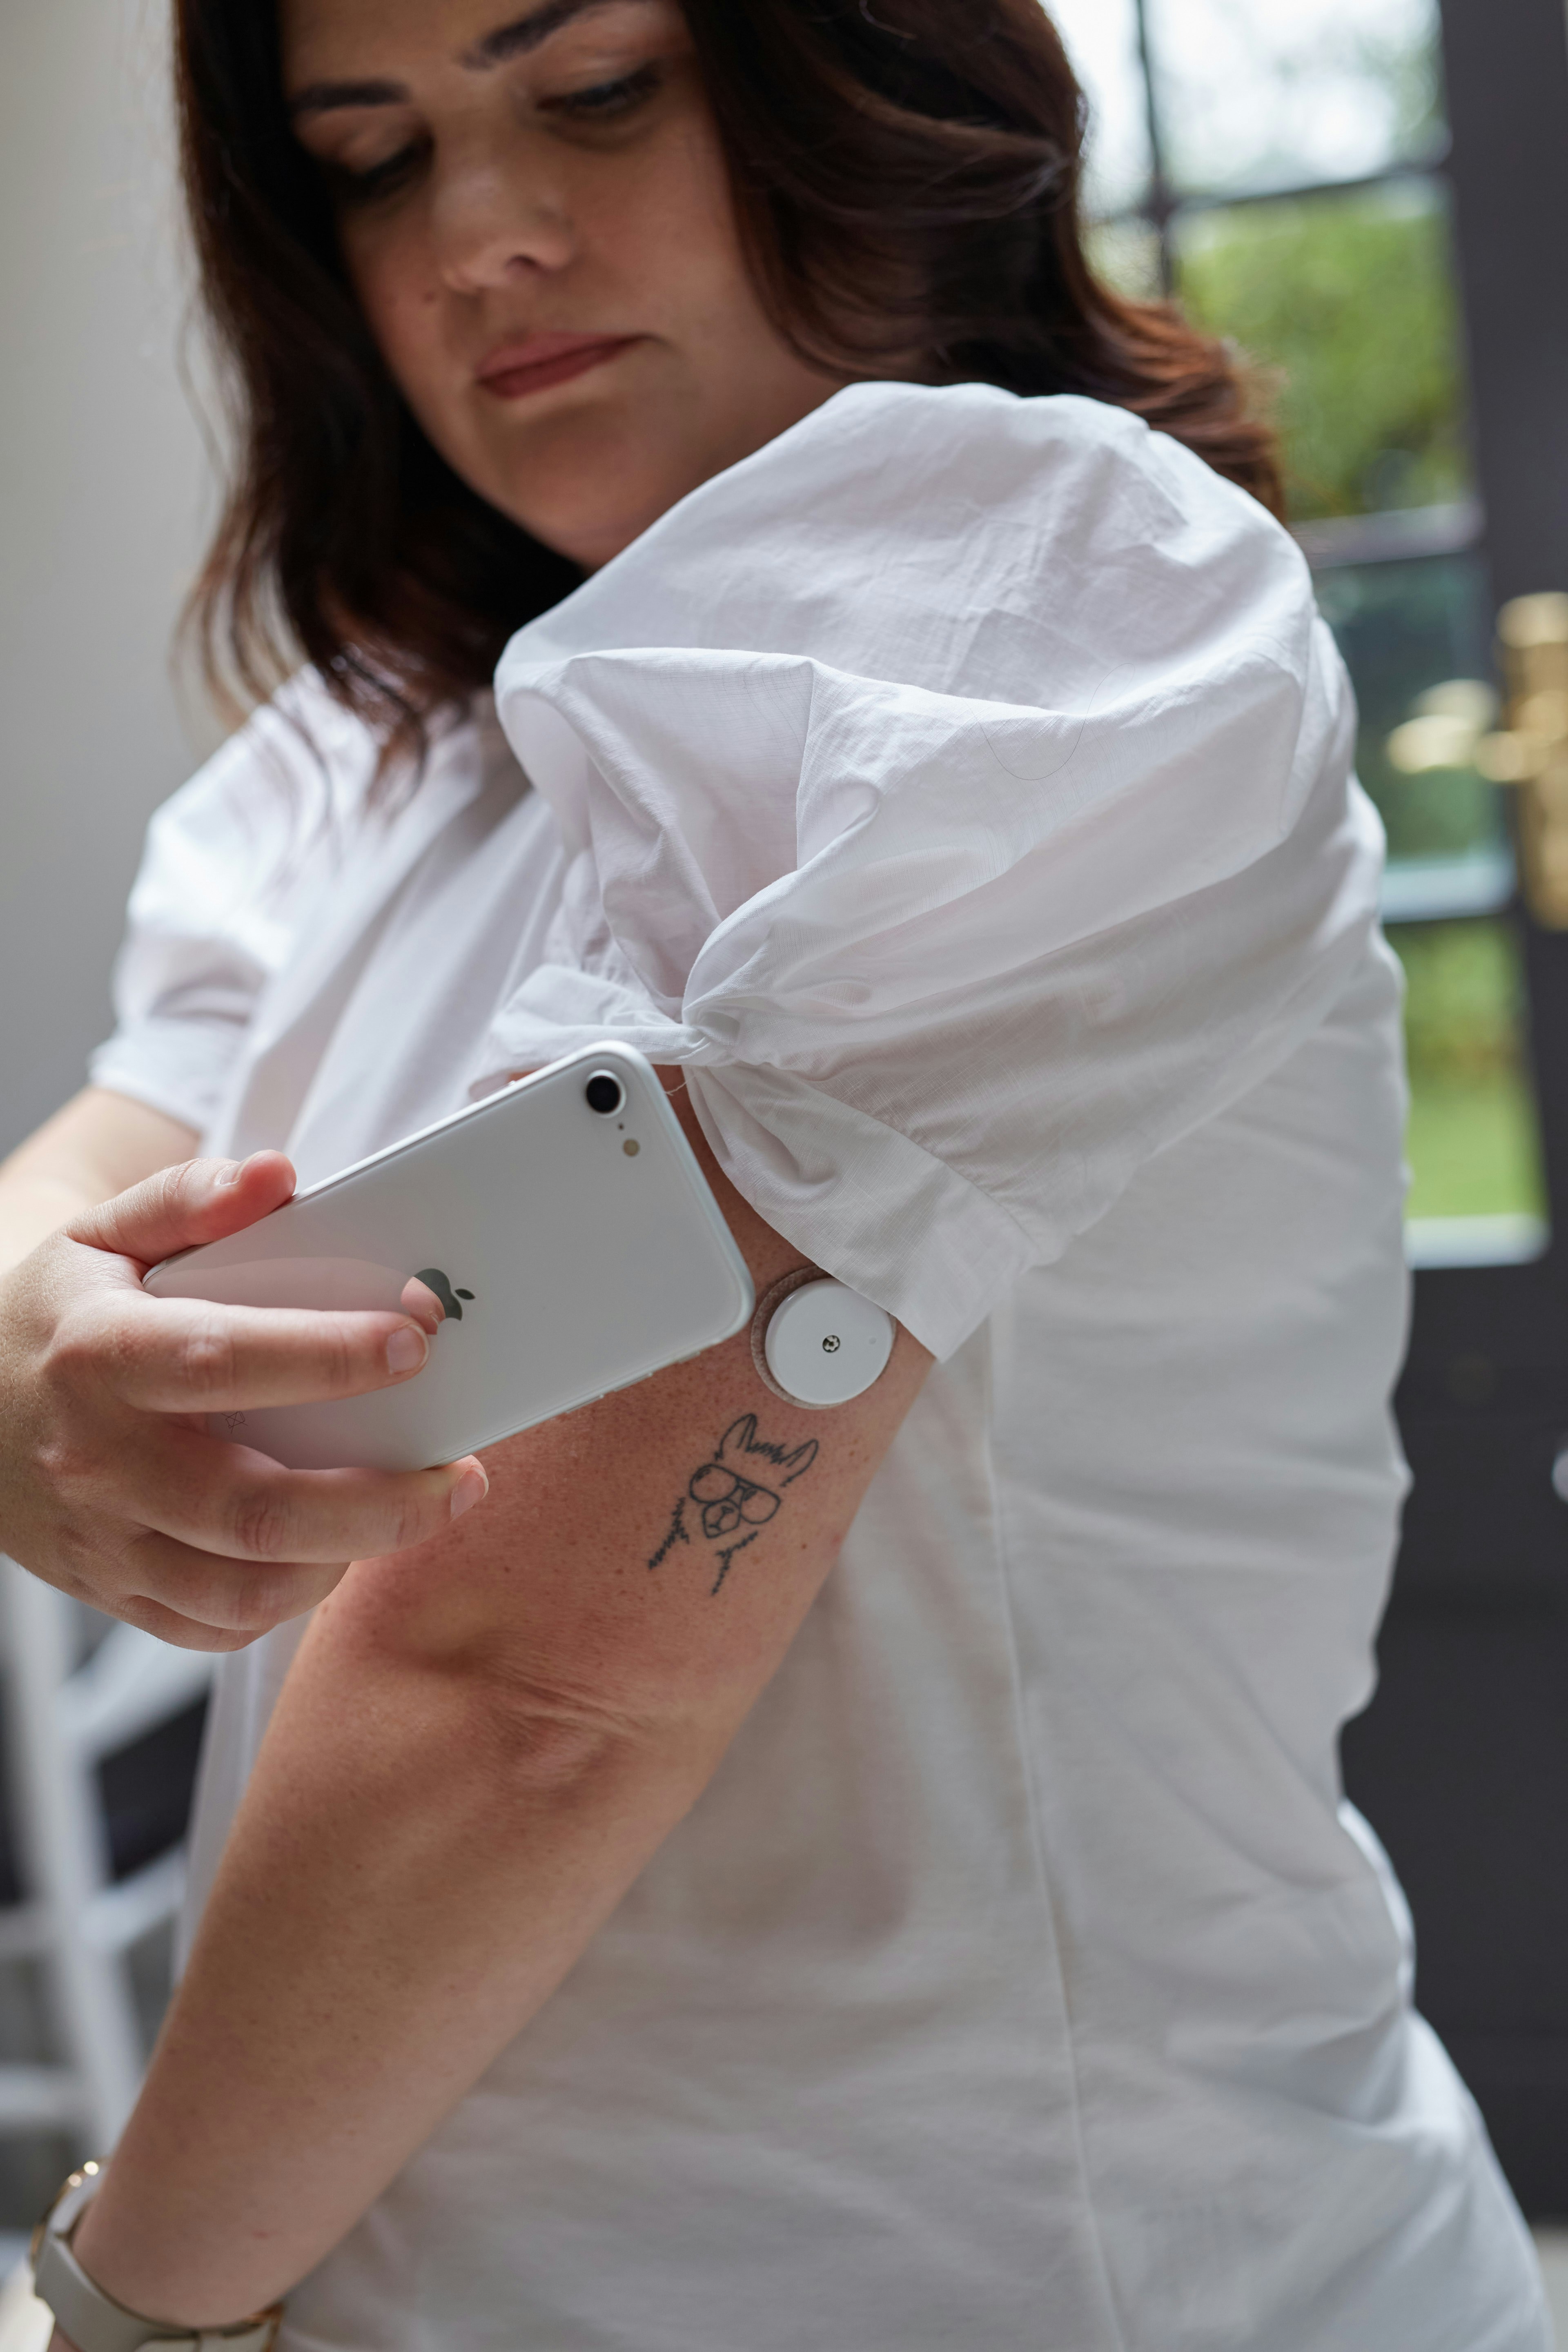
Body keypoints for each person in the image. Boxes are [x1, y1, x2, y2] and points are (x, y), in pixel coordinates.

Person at [0, 0, 1550, 2345]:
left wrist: (128, 2301)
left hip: (1008, 2261)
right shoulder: (375, 747)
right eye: (374, 157)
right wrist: (41, 1344)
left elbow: (541, 1673)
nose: (484, 241)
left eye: (597, 90)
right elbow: (108, 1146)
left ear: (871, 77)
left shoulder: (1043, 612)